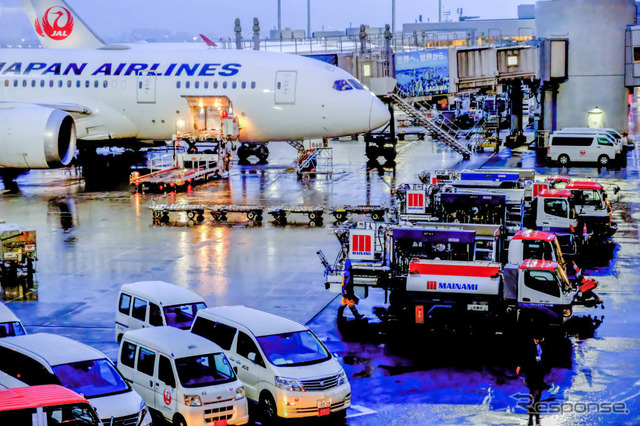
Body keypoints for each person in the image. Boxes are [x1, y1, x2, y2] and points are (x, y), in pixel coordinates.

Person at [516, 333, 548, 426]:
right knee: (532, 389)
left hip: (540, 370)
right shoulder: (530, 346)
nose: (537, 341)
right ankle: (531, 413)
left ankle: (536, 410)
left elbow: (545, 357)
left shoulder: (543, 345)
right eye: (535, 339)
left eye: (538, 339)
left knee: (538, 392)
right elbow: (523, 356)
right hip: (532, 370)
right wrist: (519, 365)